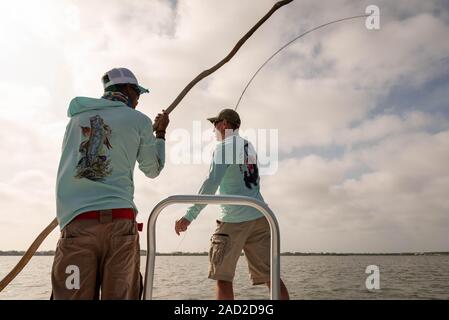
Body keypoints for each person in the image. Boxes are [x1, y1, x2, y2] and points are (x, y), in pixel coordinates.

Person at [51, 67, 169, 300]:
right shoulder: (140, 121)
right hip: (120, 224)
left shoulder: (75, 120)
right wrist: (160, 135)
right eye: (137, 93)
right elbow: (152, 170)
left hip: (77, 223)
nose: (137, 100)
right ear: (127, 89)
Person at [175, 109, 289, 300]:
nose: (213, 130)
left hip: (234, 219)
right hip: (260, 216)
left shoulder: (223, 147)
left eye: (215, 124)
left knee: (222, 277)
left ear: (225, 124)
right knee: (271, 277)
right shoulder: (248, 146)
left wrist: (189, 216)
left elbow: (211, 183)